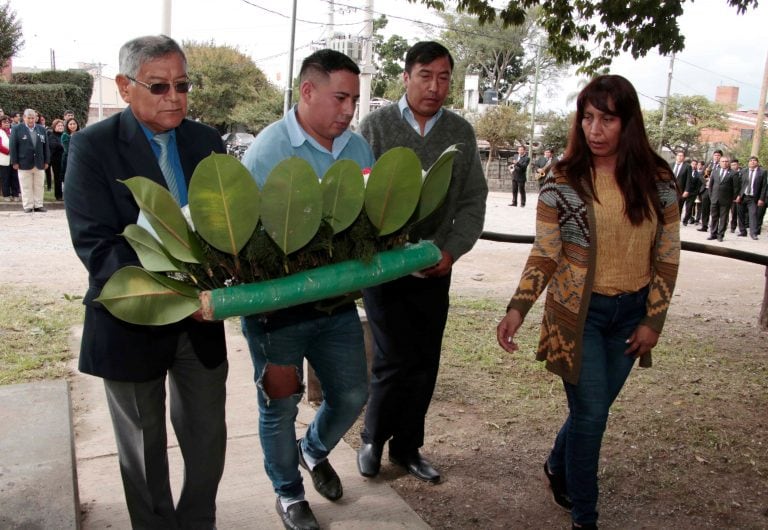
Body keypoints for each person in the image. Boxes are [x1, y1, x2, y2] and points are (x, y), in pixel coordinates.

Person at [496, 75, 680, 530]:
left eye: (607, 119)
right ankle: (585, 517)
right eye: (588, 117)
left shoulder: (658, 181)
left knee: (589, 412)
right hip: (577, 318)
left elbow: (667, 255)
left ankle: (557, 466)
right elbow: (545, 251)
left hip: (631, 317)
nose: (594, 129)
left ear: (628, 122)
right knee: (593, 416)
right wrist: (518, 307)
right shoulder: (562, 180)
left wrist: (653, 320)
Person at [64, 35, 228, 529]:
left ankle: (198, 521)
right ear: (124, 86)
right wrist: (166, 294)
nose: (173, 97)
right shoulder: (91, 147)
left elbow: (224, 228)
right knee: (142, 447)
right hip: (131, 321)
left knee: (207, 441)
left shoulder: (206, 142)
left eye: (182, 85)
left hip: (200, 323)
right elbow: (96, 244)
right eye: (158, 86)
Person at [239, 48, 373, 530]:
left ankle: (312, 450)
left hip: (336, 307)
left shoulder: (358, 151)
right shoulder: (269, 151)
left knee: (354, 392)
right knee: (279, 405)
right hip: (278, 314)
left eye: (354, 100)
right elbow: (246, 244)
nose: (348, 110)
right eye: (340, 97)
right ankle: (289, 493)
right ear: (308, 91)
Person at [356, 41, 488, 484]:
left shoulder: (461, 133)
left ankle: (408, 447)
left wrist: (452, 250)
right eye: (426, 75)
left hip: (435, 267)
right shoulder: (373, 128)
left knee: (424, 360)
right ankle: (373, 438)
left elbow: (472, 200)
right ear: (406, 76)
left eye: (444, 77)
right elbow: (358, 193)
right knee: (392, 357)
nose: (435, 86)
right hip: (384, 269)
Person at [10, 108, 50, 213]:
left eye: (33, 118)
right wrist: (14, 161)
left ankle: (38, 205)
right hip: (23, 162)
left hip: (39, 162)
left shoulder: (41, 129)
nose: (31, 120)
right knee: (26, 185)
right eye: (29, 118)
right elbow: (13, 146)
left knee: (39, 185)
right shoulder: (17, 129)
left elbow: (46, 146)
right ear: (24, 118)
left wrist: (46, 161)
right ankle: (28, 205)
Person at [707, 155, 738, 242]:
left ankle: (720, 235)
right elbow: (711, 186)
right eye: (723, 161)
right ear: (719, 163)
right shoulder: (715, 171)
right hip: (714, 198)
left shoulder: (733, 173)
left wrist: (732, 199)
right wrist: (711, 196)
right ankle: (713, 234)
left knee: (723, 218)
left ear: (729, 163)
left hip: (726, 200)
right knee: (714, 217)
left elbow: (736, 188)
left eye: (726, 161)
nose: (724, 163)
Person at [735, 156, 766, 240]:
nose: (752, 162)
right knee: (740, 214)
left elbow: (764, 187)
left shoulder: (762, 172)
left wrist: (761, 199)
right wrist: (737, 195)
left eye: (754, 161)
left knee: (753, 215)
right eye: (751, 161)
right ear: (748, 163)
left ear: (757, 162)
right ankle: (742, 231)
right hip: (742, 196)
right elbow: (738, 185)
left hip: (753, 198)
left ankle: (753, 233)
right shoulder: (743, 171)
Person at [0, 114, 20, 202]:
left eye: (8, 122)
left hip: (14, 159)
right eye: (4, 122)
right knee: (5, 178)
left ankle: (15, 194)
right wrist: (9, 152)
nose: (7, 123)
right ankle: (6, 195)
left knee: (15, 177)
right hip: (4, 159)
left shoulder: (13, 131)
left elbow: (18, 142)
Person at [46, 119, 65, 200]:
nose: (60, 127)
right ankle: (58, 195)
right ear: (54, 127)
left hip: (65, 159)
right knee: (58, 178)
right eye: (58, 126)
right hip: (56, 160)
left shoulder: (64, 135)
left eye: (61, 125)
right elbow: (55, 146)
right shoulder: (52, 136)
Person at [670, 149, 691, 214]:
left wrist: (687, 190)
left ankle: (677, 222)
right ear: (676, 156)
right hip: (670, 189)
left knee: (678, 207)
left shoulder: (687, 166)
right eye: (678, 155)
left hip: (680, 190)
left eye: (681, 156)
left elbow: (689, 179)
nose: (680, 157)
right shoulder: (671, 164)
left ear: (684, 157)